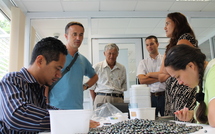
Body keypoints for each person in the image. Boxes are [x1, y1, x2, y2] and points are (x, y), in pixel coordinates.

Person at [0, 37, 68, 133]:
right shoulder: (12, 79)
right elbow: (17, 115)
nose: (59, 75)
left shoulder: (38, 88)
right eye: (57, 68)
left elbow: (45, 110)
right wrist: (69, 120)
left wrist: (72, 115)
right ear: (40, 61)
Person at [47, 21, 98, 110]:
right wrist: (45, 104)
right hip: (56, 107)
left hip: (77, 108)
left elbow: (94, 76)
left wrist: (85, 86)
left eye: (81, 35)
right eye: (74, 34)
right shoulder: (55, 56)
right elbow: (45, 83)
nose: (78, 38)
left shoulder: (82, 60)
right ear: (66, 36)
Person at [158, 12, 198, 121]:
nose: (164, 27)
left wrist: (167, 72)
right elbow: (161, 74)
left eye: (167, 23)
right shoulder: (171, 45)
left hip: (184, 92)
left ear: (176, 23)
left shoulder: (185, 38)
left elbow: (172, 66)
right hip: (173, 94)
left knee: (185, 122)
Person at [164, 44, 215, 127]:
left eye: (178, 77)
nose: (179, 82)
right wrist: (193, 114)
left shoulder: (213, 73)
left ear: (191, 66)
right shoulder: (201, 79)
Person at [89, 43, 127, 109]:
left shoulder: (122, 68)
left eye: (114, 53)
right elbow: (91, 88)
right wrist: (96, 100)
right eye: (109, 53)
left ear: (117, 54)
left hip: (118, 99)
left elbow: (123, 86)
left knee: (120, 119)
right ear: (104, 54)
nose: (112, 56)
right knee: (101, 119)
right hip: (102, 98)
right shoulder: (97, 67)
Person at [137, 35, 165, 117]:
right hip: (150, 97)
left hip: (165, 96)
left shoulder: (165, 59)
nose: (149, 46)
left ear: (157, 44)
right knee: (151, 120)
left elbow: (169, 75)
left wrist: (149, 75)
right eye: (147, 45)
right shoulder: (143, 62)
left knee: (168, 120)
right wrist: (161, 77)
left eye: (152, 44)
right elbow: (142, 80)